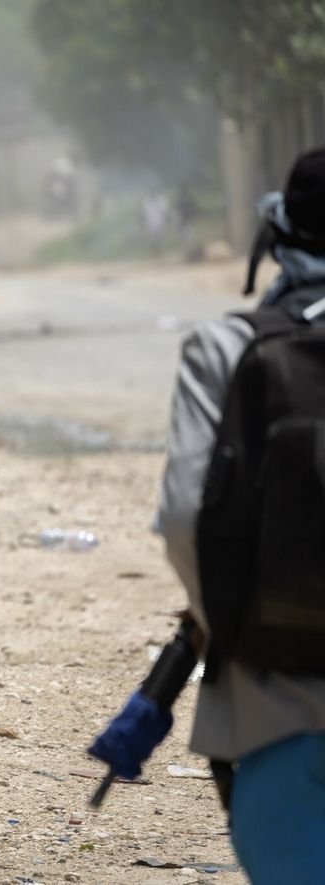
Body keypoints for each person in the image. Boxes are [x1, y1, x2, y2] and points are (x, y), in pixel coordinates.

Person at [156, 146, 325, 881]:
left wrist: (232, 620)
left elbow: (184, 518)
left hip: (274, 705)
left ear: (278, 232)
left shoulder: (227, 346)